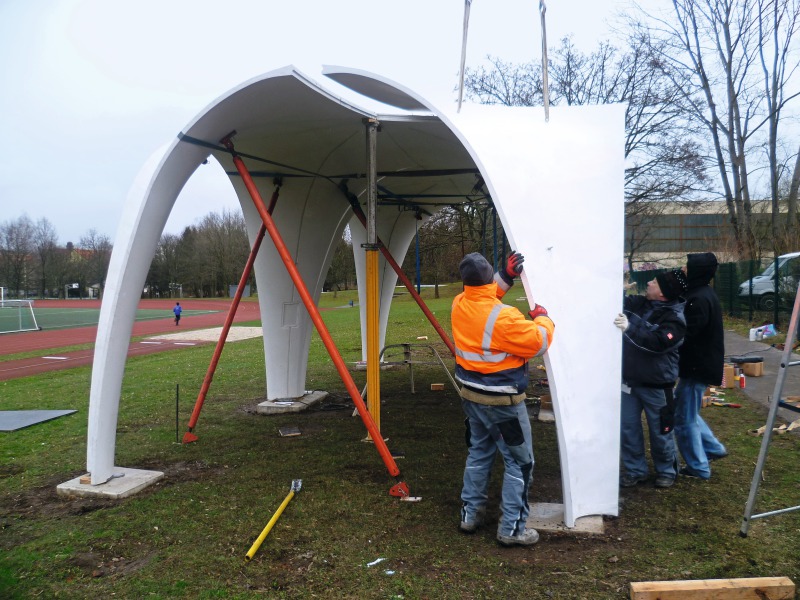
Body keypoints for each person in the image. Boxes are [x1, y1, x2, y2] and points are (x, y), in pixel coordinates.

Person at [452, 251, 555, 547]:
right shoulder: (505, 317)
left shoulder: (460, 303)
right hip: (503, 405)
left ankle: (470, 516)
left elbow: (486, 294)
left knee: (478, 455)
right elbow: (539, 341)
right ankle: (511, 529)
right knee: (519, 464)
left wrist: (507, 276)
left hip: (472, 398)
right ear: (485, 279)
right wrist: (544, 318)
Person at [614, 269, 687, 489]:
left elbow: (657, 343)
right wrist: (614, 287)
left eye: (653, 282)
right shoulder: (639, 304)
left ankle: (666, 470)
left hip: (657, 385)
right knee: (627, 428)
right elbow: (613, 301)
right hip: (629, 382)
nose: (648, 283)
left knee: (661, 430)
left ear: (664, 293)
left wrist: (629, 328)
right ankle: (635, 470)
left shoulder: (675, 320)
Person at [674, 253, 728, 479]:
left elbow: (687, 334)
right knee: (686, 410)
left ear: (697, 271)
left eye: (687, 268)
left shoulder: (699, 298)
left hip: (696, 367)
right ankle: (714, 448)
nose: (684, 271)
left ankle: (698, 467)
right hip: (698, 366)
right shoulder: (699, 294)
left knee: (683, 420)